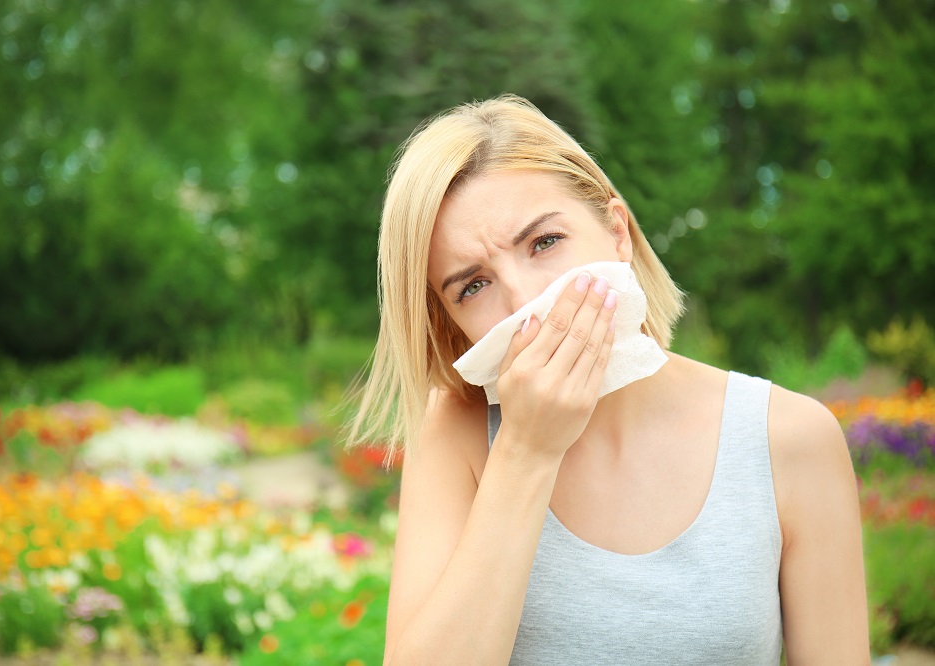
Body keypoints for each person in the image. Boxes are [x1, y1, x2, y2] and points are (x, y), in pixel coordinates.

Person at [348, 95, 869, 665]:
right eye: (473, 286)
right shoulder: (459, 436)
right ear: (451, 322)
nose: (528, 302)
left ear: (617, 232)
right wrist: (526, 450)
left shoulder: (789, 438)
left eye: (543, 243)